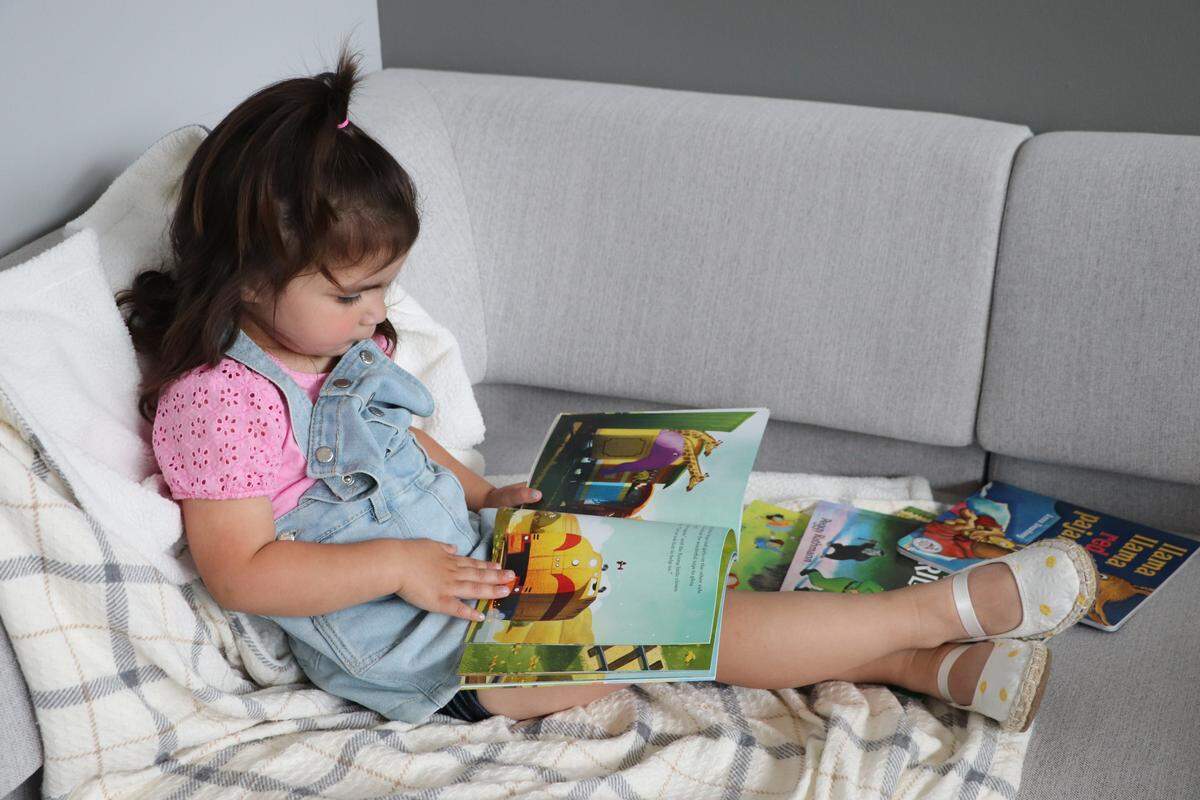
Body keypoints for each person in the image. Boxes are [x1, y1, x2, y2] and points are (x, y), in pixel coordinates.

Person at [121, 46, 1098, 733]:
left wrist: (482, 494)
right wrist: (399, 567)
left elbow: (396, 440)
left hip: (470, 566)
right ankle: (935, 617)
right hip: (431, 654)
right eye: (352, 290)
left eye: (383, 281)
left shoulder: (322, 342)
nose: (377, 308)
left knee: (679, 566)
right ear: (246, 274)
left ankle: (933, 671)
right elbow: (241, 566)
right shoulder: (220, 401)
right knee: (691, 624)